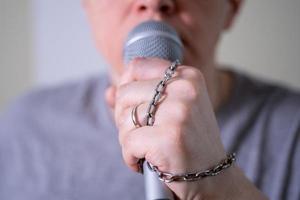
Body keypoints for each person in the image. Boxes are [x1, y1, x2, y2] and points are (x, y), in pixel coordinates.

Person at [0, 0, 299, 199]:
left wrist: (217, 184)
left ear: (232, 7)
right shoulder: (24, 129)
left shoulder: (293, 128)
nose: (155, 2)